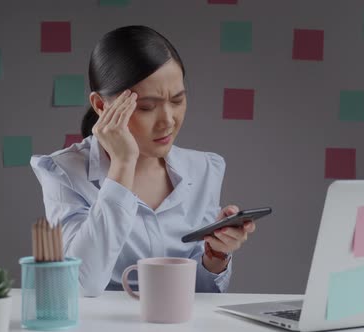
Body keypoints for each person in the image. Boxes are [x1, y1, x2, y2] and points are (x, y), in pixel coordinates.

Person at [30, 25, 256, 297]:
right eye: (147, 107)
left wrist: (216, 255)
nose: (168, 120)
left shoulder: (205, 169)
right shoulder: (63, 172)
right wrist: (122, 166)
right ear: (101, 106)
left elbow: (200, 295)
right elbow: (80, 284)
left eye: (178, 100)